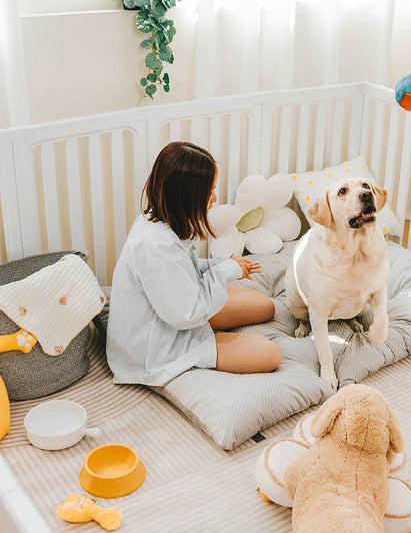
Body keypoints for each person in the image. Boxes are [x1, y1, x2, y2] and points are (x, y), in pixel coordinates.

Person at [106, 141, 281, 386]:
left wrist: (222, 262)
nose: (214, 198)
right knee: (270, 354)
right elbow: (185, 314)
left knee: (265, 306)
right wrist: (225, 271)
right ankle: (205, 343)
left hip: (175, 310)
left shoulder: (158, 220)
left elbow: (182, 271)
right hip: (157, 345)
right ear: (186, 196)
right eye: (209, 192)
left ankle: (212, 335)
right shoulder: (156, 247)